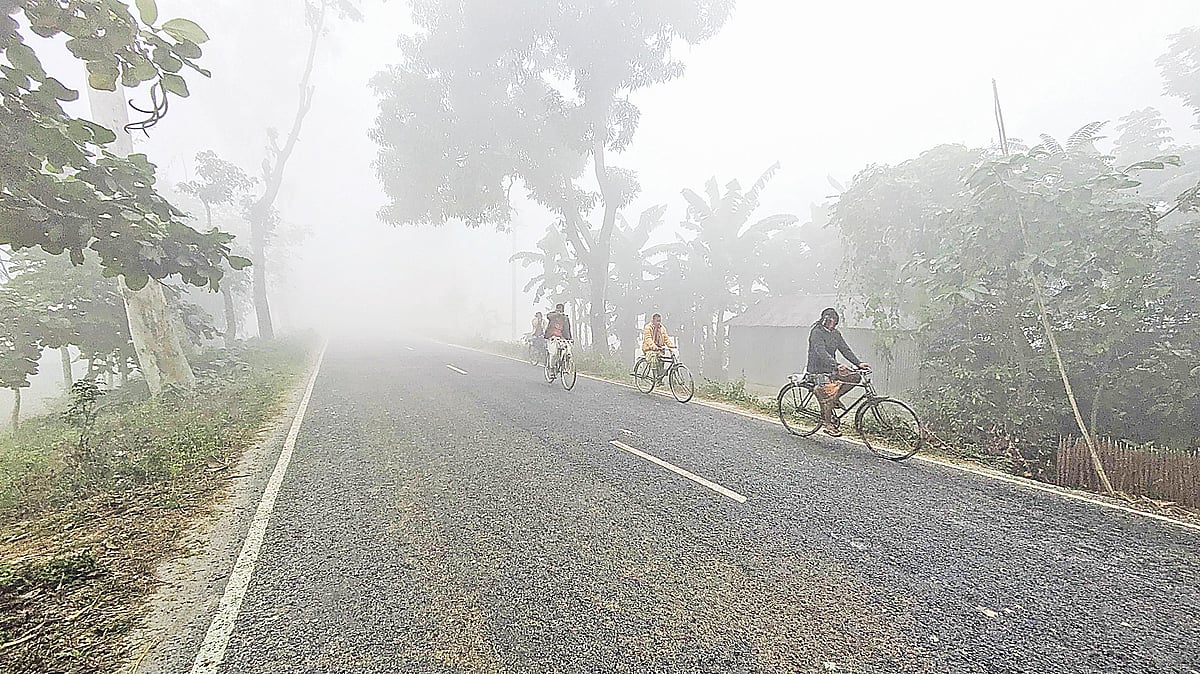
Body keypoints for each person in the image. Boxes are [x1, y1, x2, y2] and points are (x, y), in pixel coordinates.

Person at [806, 307, 869, 436]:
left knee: (855, 377)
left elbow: (845, 349)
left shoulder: (835, 334)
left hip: (831, 368)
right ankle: (828, 423)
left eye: (834, 321)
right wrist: (837, 365)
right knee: (829, 392)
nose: (831, 324)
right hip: (817, 370)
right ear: (823, 320)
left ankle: (835, 398)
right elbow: (821, 352)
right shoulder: (816, 332)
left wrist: (858, 363)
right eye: (829, 320)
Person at [640, 313, 675, 380]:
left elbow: (666, 338)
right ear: (653, 320)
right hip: (649, 349)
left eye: (660, 321)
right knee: (654, 358)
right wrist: (654, 347)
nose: (659, 323)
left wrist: (671, 346)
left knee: (662, 361)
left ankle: (659, 379)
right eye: (657, 321)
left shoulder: (662, 328)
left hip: (659, 349)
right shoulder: (648, 327)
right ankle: (655, 376)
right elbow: (648, 339)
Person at [543, 303, 573, 377]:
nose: (559, 310)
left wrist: (570, 338)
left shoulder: (565, 318)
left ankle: (567, 365)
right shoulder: (552, 316)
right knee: (553, 353)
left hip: (561, 337)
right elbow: (548, 316)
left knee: (567, 348)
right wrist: (557, 314)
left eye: (561, 309)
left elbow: (567, 329)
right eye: (558, 308)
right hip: (551, 336)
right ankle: (551, 369)